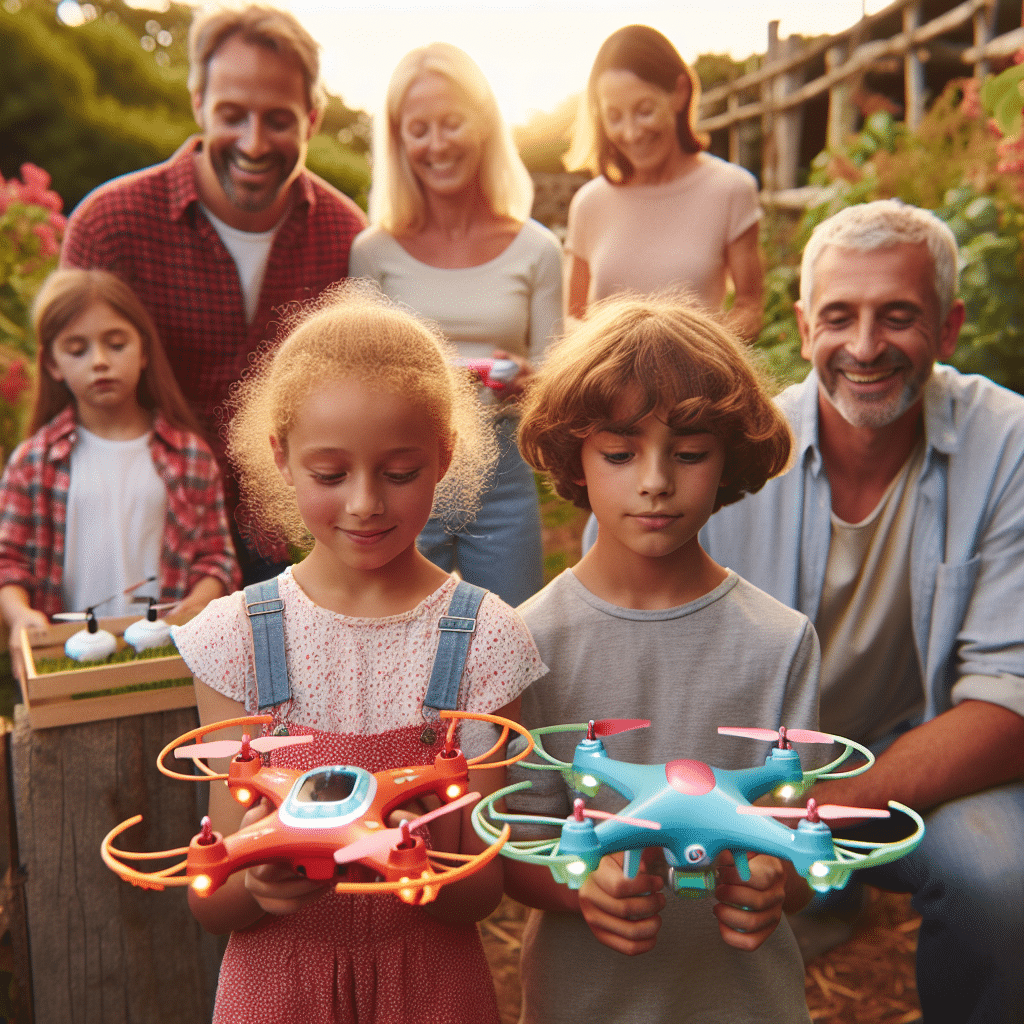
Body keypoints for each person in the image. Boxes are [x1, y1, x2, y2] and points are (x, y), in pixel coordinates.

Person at [170, 284, 546, 1024]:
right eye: (331, 474)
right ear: (281, 457)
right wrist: (253, 884)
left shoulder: (486, 639)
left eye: (399, 473)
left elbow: (482, 887)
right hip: (280, 990)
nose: (365, 503)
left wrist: (416, 859)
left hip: (430, 989)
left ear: (442, 457)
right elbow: (208, 894)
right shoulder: (234, 639)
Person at [701, 199, 1024, 1024]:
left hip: (927, 764)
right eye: (840, 316)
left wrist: (816, 824)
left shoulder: (1009, 445)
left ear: (948, 329)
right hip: (757, 770)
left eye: (900, 316)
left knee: (1005, 879)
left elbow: (1008, 704)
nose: (866, 346)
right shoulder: (733, 453)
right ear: (806, 326)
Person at [505, 295, 819, 1023]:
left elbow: (798, 838)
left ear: (729, 459)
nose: (655, 480)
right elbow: (515, 841)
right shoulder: (528, 638)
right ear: (576, 459)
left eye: (689, 452)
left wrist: (776, 880)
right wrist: (577, 884)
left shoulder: (780, 640)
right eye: (620, 453)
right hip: (584, 1001)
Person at [60, 3, 367, 581]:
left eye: (278, 120)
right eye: (232, 114)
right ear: (197, 103)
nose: (252, 143)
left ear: (313, 119)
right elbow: (66, 401)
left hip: (284, 540)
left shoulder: (345, 235)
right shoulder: (110, 224)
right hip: (143, 530)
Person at [349, 42, 562, 607]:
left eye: (452, 123)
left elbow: (556, 380)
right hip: (400, 469)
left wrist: (529, 378)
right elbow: (357, 376)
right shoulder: (372, 253)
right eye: (419, 129)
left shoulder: (538, 249)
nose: (437, 145)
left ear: (485, 125)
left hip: (501, 469)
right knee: (400, 637)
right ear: (397, 141)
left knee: (509, 635)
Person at [0, 269, 239, 672]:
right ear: (52, 364)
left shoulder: (189, 456)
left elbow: (216, 558)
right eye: (77, 350)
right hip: (65, 661)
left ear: (143, 351)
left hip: (167, 658)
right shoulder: (33, 463)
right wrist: (19, 616)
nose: (99, 362)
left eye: (116, 344)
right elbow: (8, 562)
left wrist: (199, 603)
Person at [563, 24, 763, 340]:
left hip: (698, 384)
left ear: (680, 94)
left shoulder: (731, 190)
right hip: (605, 385)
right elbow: (571, 319)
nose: (631, 133)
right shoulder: (589, 203)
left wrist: (694, 353)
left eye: (644, 111)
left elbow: (749, 307)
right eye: (614, 116)